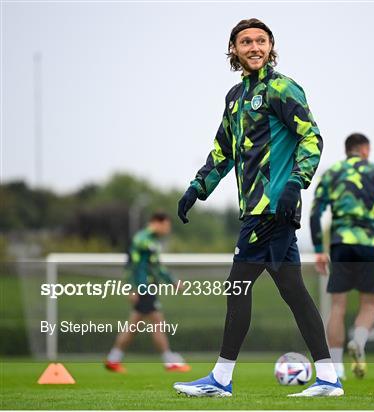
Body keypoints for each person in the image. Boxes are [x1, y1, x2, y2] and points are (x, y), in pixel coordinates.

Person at [173, 18, 343, 398]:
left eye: (261, 41)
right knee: (293, 291)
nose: (254, 47)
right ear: (233, 49)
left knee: (237, 286)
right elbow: (223, 150)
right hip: (255, 211)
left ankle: (220, 378)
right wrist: (197, 187)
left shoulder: (282, 88)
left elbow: (311, 136)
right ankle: (329, 377)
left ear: (271, 46)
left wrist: (296, 183)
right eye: (246, 41)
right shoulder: (234, 97)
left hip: (273, 210)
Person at [310, 133, 374, 379]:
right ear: (365, 149)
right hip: (370, 244)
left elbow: (315, 213)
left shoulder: (333, 172)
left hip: (341, 244)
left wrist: (318, 250)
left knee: (337, 306)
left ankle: (336, 368)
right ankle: (358, 340)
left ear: (348, 150)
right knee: (369, 304)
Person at [105, 211, 191, 373]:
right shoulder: (142, 240)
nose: (167, 230)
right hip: (143, 289)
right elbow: (132, 265)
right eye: (166, 226)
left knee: (133, 325)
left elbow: (156, 267)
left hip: (148, 288)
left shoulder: (152, 241)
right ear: (157, 223)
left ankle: (113, 359)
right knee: (157, 322)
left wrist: (172, 282)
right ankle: (169, 360)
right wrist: (132, 288)